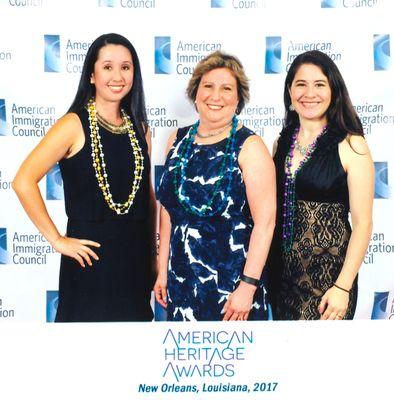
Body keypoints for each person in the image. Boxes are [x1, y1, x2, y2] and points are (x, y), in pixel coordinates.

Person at [12, 33, 155, 322]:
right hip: (89, 261)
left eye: (126, 67)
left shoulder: (140, 128)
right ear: (91, 75)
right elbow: (23, 180)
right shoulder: (72, 124)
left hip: (134, 260)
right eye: (107, 67)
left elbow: (146, 198)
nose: (118, 76)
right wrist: (57, 239)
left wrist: (152, 257)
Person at [153, 51, 276, 321]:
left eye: (226, 88)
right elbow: (168, 212)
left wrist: (248, 286)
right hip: (181, 284)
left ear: (238, 99)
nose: (215, 96)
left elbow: (265, 224)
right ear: (195, 93)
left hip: (232, 293)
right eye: (208, 86)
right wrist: (162, 270)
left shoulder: (250, 147)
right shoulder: (177, 139)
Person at [266, 50, 374, 320]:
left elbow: (363, 224)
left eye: (319, 84)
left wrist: (342, 286)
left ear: (333, 91)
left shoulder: (352, 145)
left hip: (328, 284)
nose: (309, 93)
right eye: (301, 84)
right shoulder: (281, 144)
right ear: (290, 91)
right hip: (281, 279)